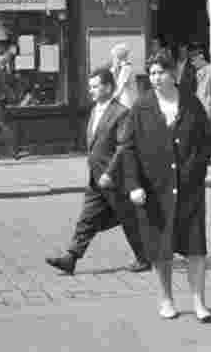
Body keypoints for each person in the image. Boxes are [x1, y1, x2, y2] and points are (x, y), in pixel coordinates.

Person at [123, 51, 211, 321]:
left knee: (195, 248)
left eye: (160, 72)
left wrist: (196, 169)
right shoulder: (141, 107)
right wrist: (133, 185)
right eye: (151, 73)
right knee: (161, 250)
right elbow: (128, 148)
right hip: (155, 190)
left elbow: (206, 141)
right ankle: (166, 300)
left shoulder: (191, 103)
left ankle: (199, 303)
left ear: (173, 74)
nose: (155, 77)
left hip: (190, 190)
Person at [46, 68, 149, 276]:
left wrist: (110, 173)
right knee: (87, 218)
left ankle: (144, 257)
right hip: (96, 177)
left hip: (114, 178)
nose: (91, 90)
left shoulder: (121, 113)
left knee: (128, 218)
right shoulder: (95, 110)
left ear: (108, 87)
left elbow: (122, 147)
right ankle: (71, 258)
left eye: (95, 86)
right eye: (90, 86)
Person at [111, 43, 139, 110]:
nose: (113, 59)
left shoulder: (126, 68)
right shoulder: (124, 67)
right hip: (127, 99)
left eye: (114, 57)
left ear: (119, 58)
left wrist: (110, 98)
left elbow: (120, 87)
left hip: (127, 101)